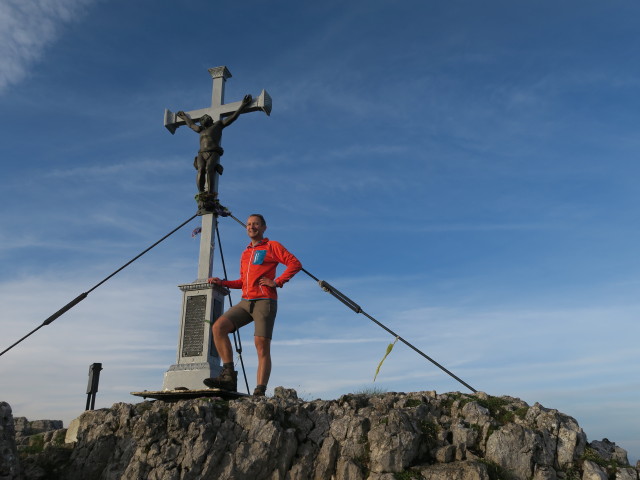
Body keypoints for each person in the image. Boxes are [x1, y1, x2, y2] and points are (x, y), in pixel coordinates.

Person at [204, 214, 302, 396]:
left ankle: (260, 390)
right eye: (249, 224)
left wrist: (278, 281)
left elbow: (294, 264)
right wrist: (222, 282)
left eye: (255, 224)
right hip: (245, 302)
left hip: (265, 302)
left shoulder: (272, 246)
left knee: (261, 345)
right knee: (218, 327)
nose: (251, 227)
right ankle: (228, 377)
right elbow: (243, 281)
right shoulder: (246, 253)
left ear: (264, 227)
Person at [176, 93, 253, 194]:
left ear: (211, 120)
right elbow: (191, 125)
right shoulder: (200, 129)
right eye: (202, 119)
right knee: (201, 169)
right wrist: (185, 117)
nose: (204, 118)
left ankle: (211, 194)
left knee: (209, 169)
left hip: (213, 151)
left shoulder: (218, 125)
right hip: (201, 153)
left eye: (206, 118)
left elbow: (233, 117)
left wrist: (243, 105)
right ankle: (201, 193)